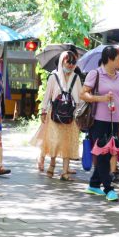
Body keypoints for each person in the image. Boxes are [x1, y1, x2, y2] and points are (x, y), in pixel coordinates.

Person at [79, 46, 119, 201]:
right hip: (98, 121)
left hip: (114, 121)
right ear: (109, 58)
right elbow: (83, 94)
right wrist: (100, 98)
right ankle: (109, 189)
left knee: (108, 154)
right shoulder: (95, 74)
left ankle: (94, 184)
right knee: (102, 153)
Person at [39, 51, 82, 180]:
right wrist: (43, 110)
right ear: (61, 62)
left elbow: (80, 97)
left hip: (71, 115)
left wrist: (81, 113)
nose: (71, 64)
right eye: (68, 61)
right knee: (56, 141)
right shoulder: (54, 77)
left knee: (68, 143)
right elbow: (47, 95)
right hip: (55, 114)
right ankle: (52, 163)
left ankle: (64, 172)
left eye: (73, 62)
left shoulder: (76, 77)